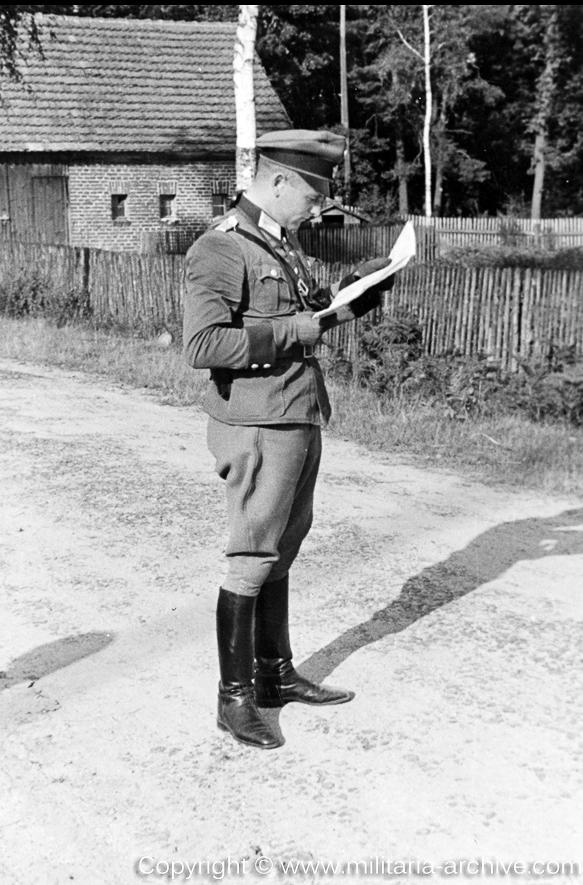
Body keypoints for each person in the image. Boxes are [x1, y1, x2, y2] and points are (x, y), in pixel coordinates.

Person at [183, 129, 394, 750]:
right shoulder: (221, 249)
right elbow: (204, 345)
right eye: (310, 195)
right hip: (255, 425)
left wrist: (354, 297)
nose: (315, 209)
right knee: (251, 556)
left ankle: (275, 676)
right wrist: (300, 327)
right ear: (277, 182)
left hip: (297, 416)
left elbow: (302, 315)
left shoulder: (279, 242)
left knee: (282, 548)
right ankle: (235, 699)